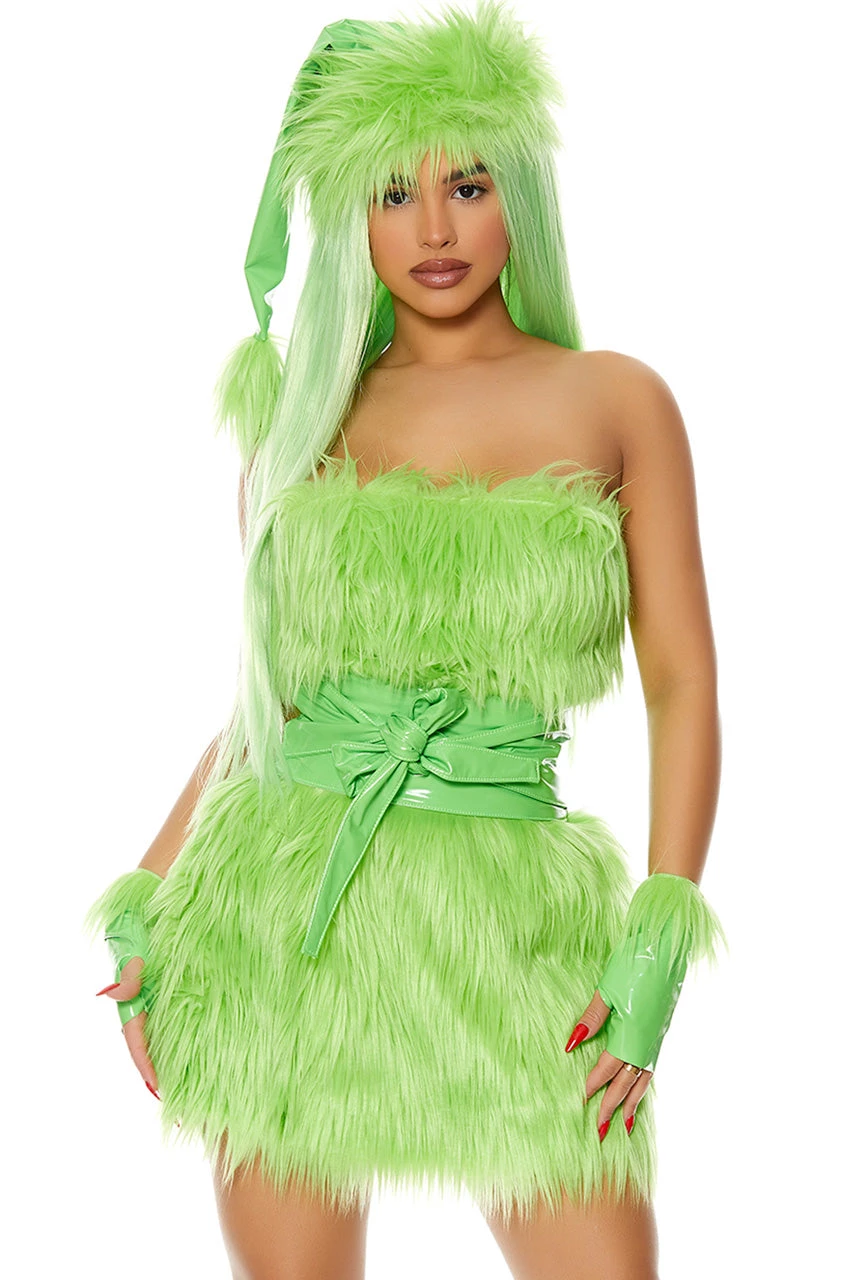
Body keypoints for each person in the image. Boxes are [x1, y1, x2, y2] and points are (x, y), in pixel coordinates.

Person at [83, 3, 727, 1277]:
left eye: (467, 186)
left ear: (516, 196)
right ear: (351, 217)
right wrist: (147, 895)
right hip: (281, 916)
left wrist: (657, 935)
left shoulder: (614, 399)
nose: (433, 229)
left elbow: (680, 679)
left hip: (513, 926)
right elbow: (272, 706)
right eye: (392, 192)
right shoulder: (303, 419)